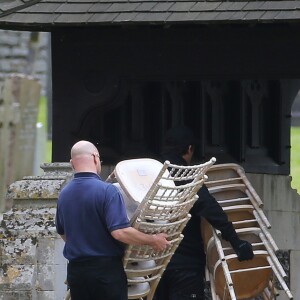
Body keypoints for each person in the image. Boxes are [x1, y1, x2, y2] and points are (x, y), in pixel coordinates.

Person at [55, 140, 170, 300]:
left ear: (71, 163)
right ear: (95, 158)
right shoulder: (108, 191)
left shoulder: (64, 195)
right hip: (105, 273)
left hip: (76, 273)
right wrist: (152, 240)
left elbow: (63, 234)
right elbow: (120, 232)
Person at [153, 125, 254, 300]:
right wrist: (236, 242)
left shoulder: (150, 175)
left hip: (151, 266)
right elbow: (211, 210)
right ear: (189, 149)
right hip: (185, 264)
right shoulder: (187, 176)